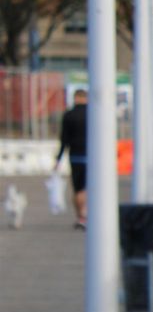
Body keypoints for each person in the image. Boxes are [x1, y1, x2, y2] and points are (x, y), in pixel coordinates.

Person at [56, 88, 88, 229]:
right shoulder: (93, 114)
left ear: (75, 98)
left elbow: (64, 139)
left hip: (75, 156)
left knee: (77, 188)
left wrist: (58, 158)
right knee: (89, 188)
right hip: (92, 157)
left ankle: (80, 216)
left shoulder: (69, 115)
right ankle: (87, 213)